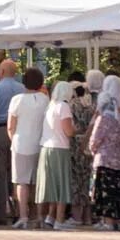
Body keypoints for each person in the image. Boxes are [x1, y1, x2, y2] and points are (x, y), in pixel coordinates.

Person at [89, 73, 120, 230]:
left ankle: (107, 222)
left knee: (105, 191)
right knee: (118, 191)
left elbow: (95, 139)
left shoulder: (104, 118)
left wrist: (92, 149)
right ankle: (117, 221)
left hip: (105, 159)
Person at [7, 67, 49, 229]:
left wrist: (14, 140)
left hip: (20, 143)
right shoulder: (45, 99)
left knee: (21, 182)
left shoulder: (17, 100)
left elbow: (11, 126)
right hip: (40, 143)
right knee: (38, 182)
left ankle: (23, 216)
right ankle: (39, 216)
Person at [0, 59, 25, 224]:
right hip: (20, 133)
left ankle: (1, 212)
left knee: (0, 173)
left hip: (0, 131)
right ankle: (19, 210)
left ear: (1, 72)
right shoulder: (22, 89)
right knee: (17, 173)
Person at [35, 80, 76, 229]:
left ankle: (50, 217)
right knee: (62, 185)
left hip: (46, 147)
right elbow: (68, 131)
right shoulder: (63, 106)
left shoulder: (50, 106)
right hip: (60, 148)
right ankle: (59, 219)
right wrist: (76, 129)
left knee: (52, 185)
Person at [68, 70, 97, 228]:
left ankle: (76, 215)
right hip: (88, 145)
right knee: (87, 180)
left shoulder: (73, 105)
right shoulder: (92, 105)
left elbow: (71, 126)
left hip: (76, 145)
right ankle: (87, 216)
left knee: (75, 181)